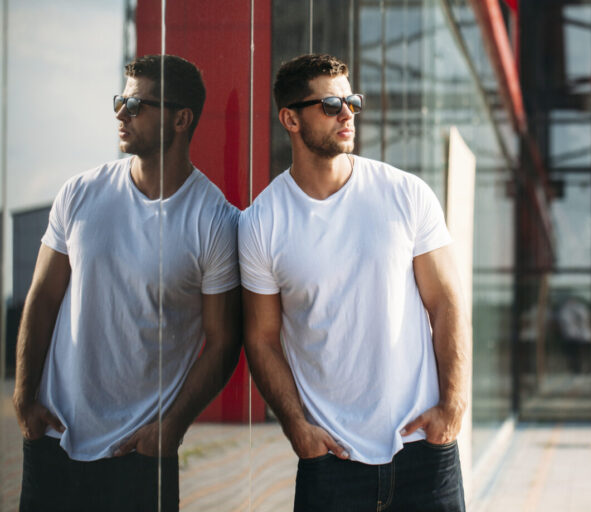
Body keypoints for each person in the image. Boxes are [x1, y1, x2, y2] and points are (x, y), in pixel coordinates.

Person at [239, 53, 470, 511]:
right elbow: (261, 338)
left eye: (352, 101)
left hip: (423, 448)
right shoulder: (261, 222)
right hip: (330, 461)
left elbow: (446, 303)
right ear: (290, 119)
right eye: (329, 104)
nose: (347, 113)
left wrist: (453, 406)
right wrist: (297, 428)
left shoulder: (406, 194)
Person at [12, 54, 241, 512]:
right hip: (55, 438)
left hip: (141, 453)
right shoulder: (80, 193)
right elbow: (42, 298)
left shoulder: (215, 220)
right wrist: (23, 399)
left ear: (180, 118)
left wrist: (171, 426)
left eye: (136, 105)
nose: (121, 113)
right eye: (121, 101)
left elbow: (223, 341)